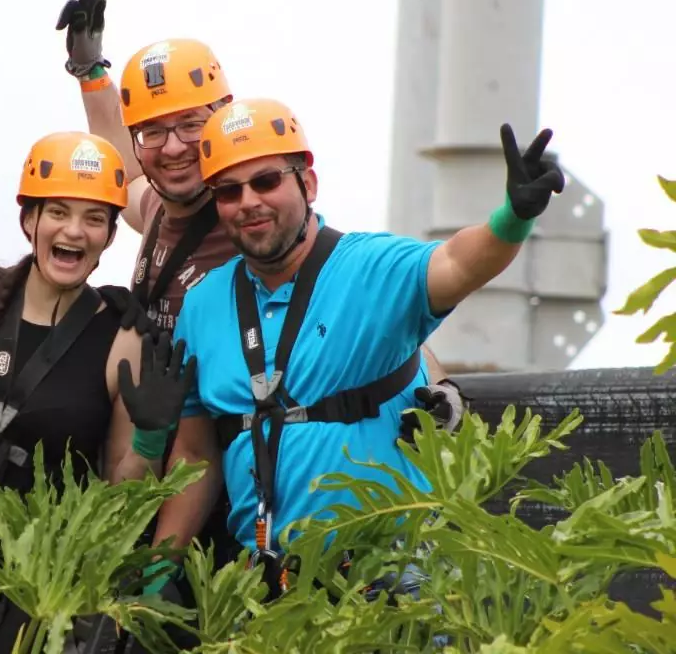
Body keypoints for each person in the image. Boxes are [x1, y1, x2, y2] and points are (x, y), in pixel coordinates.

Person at [55, 0, 464, 576]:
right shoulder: (160, 214)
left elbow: (361, 301)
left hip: (228, 477)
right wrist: (92, 76)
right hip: (150, 462)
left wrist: (440, 383)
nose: (173, 147)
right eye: (156, 131)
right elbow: (134, 169)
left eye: (191, 125)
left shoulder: (248, 219)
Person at [155, 98, 564, 599]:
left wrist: (513, 216)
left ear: (307, 182)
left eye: (266, 182)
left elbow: (457, 264)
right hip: (264, 588)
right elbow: (195, 454)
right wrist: (158, 571)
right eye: (228, 191)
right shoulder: (202, 307)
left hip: (387, 578)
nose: (248, 202)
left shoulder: (370, 267)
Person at [0, 131, 195, 651]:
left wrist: (153, 438)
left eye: (94, 218)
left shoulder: (121, 337)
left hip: (36, 592)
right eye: (59, 212)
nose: (75, 230)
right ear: (30, 220)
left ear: (112, 236)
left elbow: (120, 493)